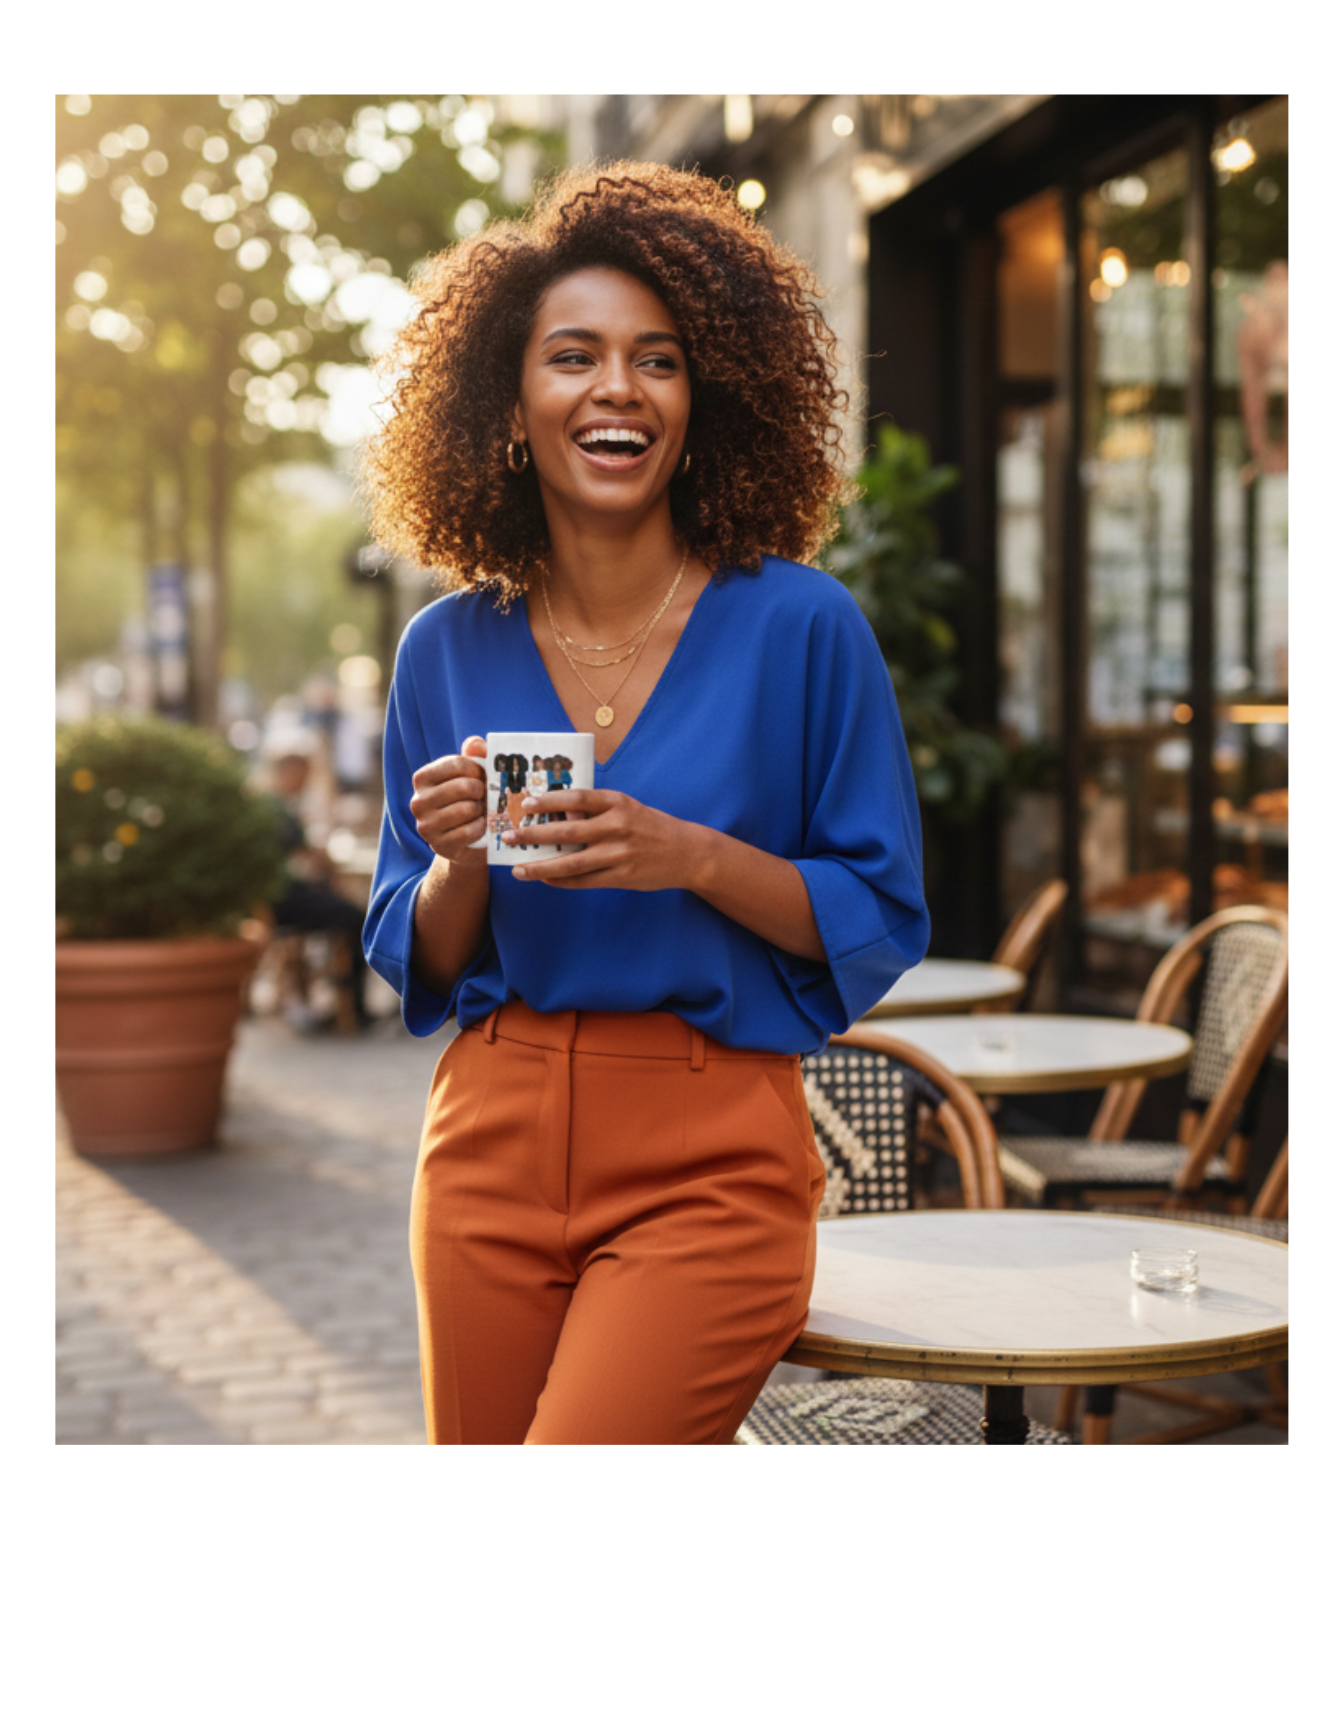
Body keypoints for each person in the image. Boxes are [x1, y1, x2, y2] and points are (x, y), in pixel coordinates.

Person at [362, 162, 929, 1445]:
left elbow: (877, 905)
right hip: (487, 1140)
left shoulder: (801, 626)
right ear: (509, 406)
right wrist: (457, 864)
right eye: (573, 356)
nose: (617, 388)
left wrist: (688, 855)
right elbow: (425, 952)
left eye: (657, 360)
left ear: (700, 403)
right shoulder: (444, 649)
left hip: (711, 1150)